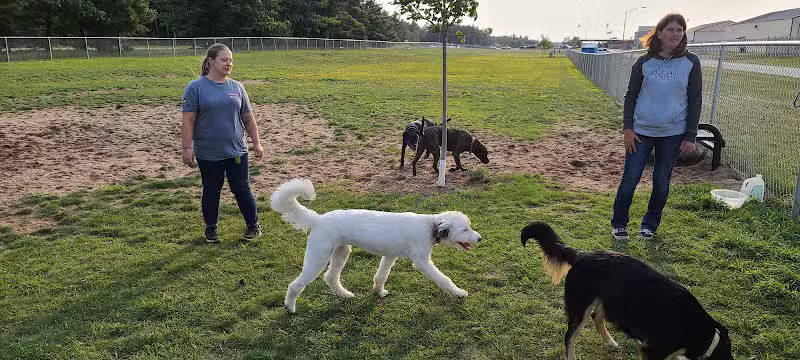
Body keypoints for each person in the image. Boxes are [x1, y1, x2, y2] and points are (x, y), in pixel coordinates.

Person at [611, 13, 702, 240]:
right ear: (659, 33)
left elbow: (695, 98)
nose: (675, 34)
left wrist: (690, 135)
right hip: (640, 132)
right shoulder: (643, 62)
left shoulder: (691, 62)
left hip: (673, 134)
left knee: (661, 182)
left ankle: (649, 225)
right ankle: (619, 223)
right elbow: (631, 96)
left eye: (680, 30)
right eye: (670, 29)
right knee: (630, 179)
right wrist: (628, 129)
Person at [181, 43, 265, 243]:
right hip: (208, 153)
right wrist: (186, 148)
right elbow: (188, 120)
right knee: (211, 189)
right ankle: (211, 229)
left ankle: (253, 226)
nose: (229, 63)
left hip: (236, 151)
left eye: (231, 60)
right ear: (211, 61)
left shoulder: (237, 87)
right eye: (224, 59)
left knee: (242, 188)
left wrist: (257, 143)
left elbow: (248, 117)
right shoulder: (195, 88)